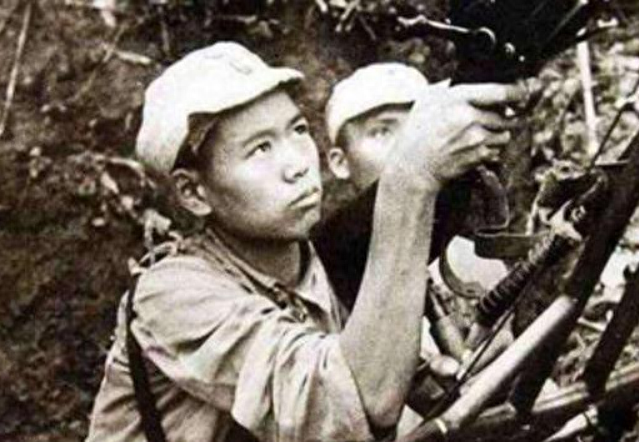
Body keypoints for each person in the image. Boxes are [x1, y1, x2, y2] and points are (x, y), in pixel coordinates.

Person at [86, 42, 524, 442]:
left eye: (297, 130)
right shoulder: (171, 295)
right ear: (194, 192)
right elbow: (349, 407)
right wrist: (412, 178)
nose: (296, 164)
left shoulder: (312, 264)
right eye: (260, 149)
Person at [325, 62, 509, 307]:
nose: (408, 146)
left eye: (417, 128)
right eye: (381, 132)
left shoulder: (477, 264)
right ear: (340, 163)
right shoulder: (324, 285)